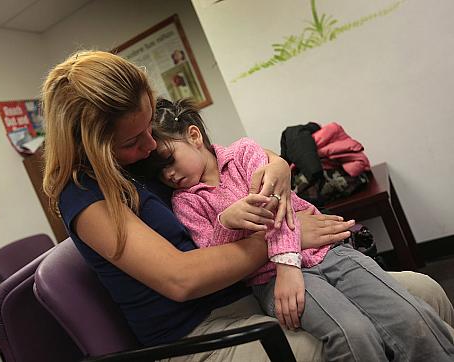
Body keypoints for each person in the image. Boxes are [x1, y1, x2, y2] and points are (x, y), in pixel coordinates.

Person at [41, 50, 454, 362]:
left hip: (246, 287)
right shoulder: (84, 194)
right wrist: (284, 238)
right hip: (200, 330)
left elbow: (227, 163)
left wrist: (277, 167)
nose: (150, 147)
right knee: (351, 336)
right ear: (93, 144)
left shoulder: (139, 160)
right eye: (134, 141)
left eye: (149, 130)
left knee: (426, 292)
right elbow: (181, 279)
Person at [146, 98, 454, 361]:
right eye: (159, 172)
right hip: (268, 280)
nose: (169, 174)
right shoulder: (185, 203)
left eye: (169, 160)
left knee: (411, 315)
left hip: (327, 254)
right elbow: (217, 259)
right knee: (352, 333)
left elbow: (283, 207)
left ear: (194, 135)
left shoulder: (245, 153)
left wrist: (287, 263)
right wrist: (226, 222)